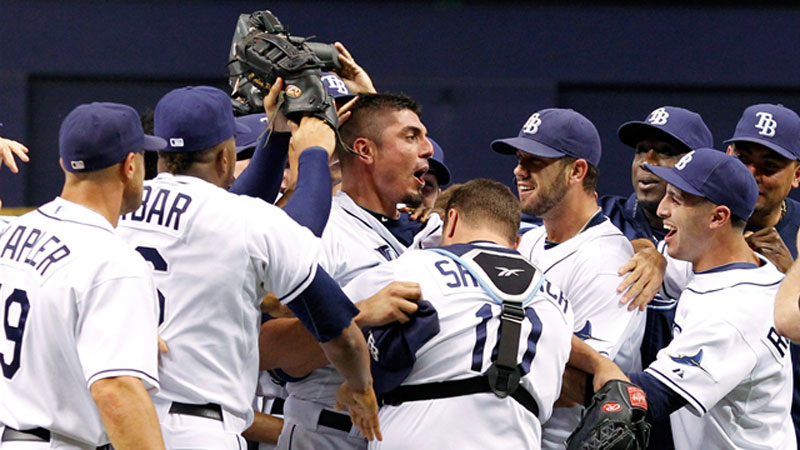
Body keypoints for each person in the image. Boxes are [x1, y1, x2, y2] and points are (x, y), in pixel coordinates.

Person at [116, 86, 380, 449]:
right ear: (226, 156)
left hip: (117, 419)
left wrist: (277, 134)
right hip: (196, 428)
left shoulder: (118, 210)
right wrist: (314, 152)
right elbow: (296, 240)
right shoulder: (241, 220)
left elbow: (227, 209)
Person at [571, 148, 796, 450]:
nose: (662, 209)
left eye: (676, 199)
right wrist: (650, 254)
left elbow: (640, 398)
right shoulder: (728, 260)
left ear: (718, 217)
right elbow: (644, 254)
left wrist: (548, 354)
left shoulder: (734, 311)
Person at [261, 92, 440, 450]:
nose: (429, 148)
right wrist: (354, 314)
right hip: (329, 432)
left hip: (397, 431)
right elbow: (266, 351)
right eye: (411, 137)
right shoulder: (323, 226)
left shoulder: (420, 231)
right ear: (366, 151)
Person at [342, 178, 574, 449]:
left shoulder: (415, 267)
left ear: (450, 220)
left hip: (421, 432)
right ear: (517, 243)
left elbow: (321, 317)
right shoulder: (560, 304)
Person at [0, 102, 166, 449]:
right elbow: (115, 390)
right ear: (130, 166)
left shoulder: (11, 233)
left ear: (63, 164)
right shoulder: (113, 261)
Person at [491, 107, 645, 449]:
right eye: (519, 158)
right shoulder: (528, 240)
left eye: (536, 161)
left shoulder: (609, 261)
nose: (519, 170)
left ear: (577, 170)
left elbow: (576, 382)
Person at [601, 106, 713, 449]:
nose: (646, 161)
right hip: (614, 414)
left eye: (664, 152)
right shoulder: (602, 219)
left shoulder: (718, 237)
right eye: (640, 151)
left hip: (693, 422)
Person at [723, 103, 800, 446]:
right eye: (743, 159)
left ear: (797, 175)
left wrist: (793, 275)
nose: (752, 174)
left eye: (769, 167)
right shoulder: (698, 220)